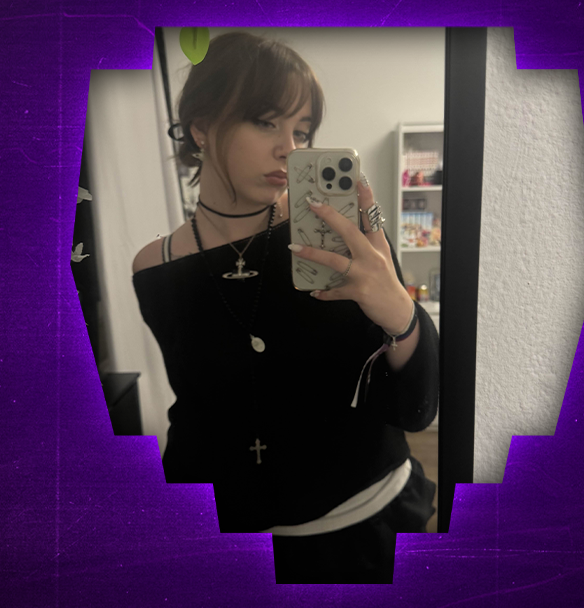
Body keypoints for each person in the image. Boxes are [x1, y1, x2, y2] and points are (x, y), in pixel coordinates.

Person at [131, 31, 439, 584]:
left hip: (364, 528)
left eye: (301, 130)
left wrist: (400, 310)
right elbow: (200, 405)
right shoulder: (156, 266)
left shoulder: (342, 238)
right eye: (265, 121)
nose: (289, 149)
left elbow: (416, 410)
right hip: (228, 537)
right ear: (200, 126)